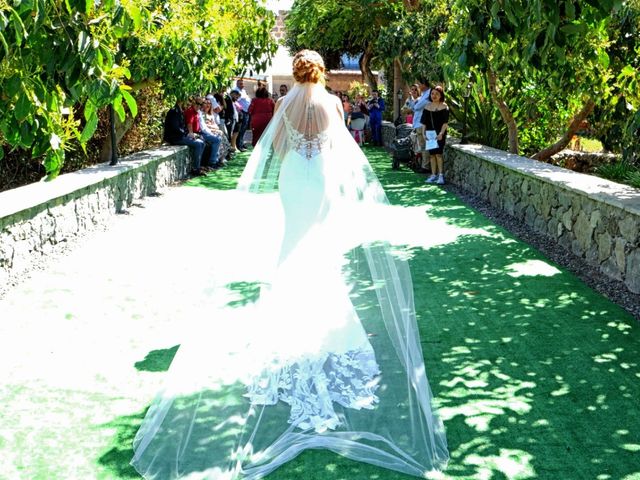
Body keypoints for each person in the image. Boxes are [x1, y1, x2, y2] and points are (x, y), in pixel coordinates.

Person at [131, 50, 448, 480]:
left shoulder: (285, 103)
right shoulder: (332, 103)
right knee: (319, 248)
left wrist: (298, 153)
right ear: (318, 71)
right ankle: (323, 320)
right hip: (320, 181)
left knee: (292, 244)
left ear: (297, 72)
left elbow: (276, 147)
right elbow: (339, 149)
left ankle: (288, 318)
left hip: (293, 180)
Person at [163, 99, 206, 176]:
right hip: (175, 138)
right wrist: (186, 134)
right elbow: (175, 127)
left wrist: (190, 134)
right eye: (185, 100)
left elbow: (182, 127)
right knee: (198, 144)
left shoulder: (180, 110)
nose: (187, 102)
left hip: (180, 136)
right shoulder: (174, 111)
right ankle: (196, 169)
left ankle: (198, 166)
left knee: (202, 142)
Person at [421, 85, 449, 185]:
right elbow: (424, 122)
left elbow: (445, 123)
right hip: (430, 133)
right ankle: (433, 175)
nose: (434, 95)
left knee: (439, 154)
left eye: (437, 94)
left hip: (440, 133)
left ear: (441, 95)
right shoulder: (427, 106)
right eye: (432, 93)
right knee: (432, 155)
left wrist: (441, 133)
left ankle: (440, 176)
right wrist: (424, 134)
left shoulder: (444, 106)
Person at [408, 80, 432, 172]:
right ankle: (423, 165)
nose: (419, 86)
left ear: (424, 84)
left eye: (420, 84)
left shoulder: (428, 94)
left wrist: (415, 105)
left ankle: (425, 166)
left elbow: (417, 107)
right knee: (422, 145)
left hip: (423, 124)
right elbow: (413, 106)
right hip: (418, 123)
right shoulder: (423, 94)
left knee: (424, 145)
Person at [234, 79, 251, 151]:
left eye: (242, 83)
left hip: (246, 111)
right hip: (241, 112)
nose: (242, 84)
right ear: (237, 84)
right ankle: (239, 145)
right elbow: (236, 100)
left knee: (244, 129)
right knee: (240, 129)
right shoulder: (236, 91)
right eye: (240, 83)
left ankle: (241, 143)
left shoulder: (243, 91)